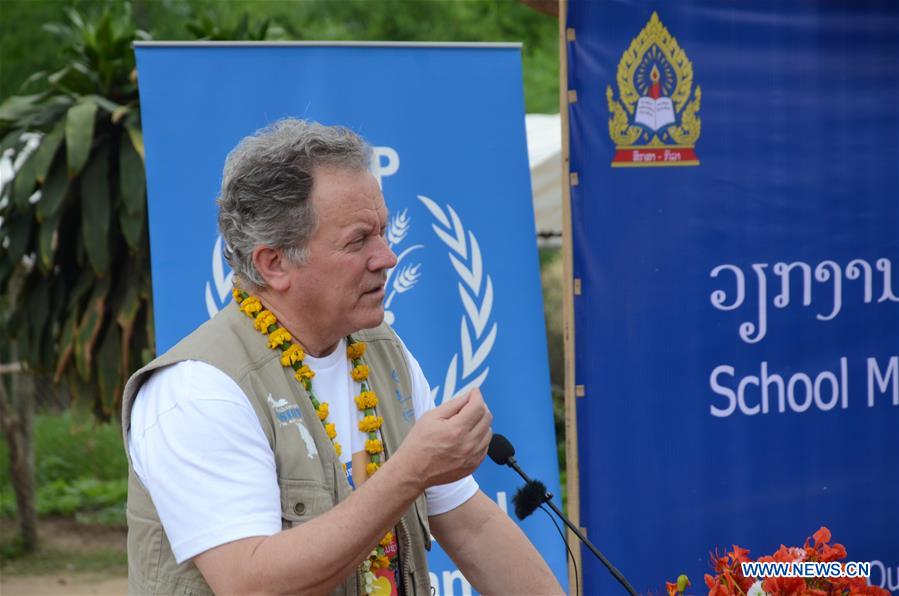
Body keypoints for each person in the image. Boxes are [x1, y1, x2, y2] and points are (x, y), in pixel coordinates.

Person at [121, 118, 563, 595]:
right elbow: (251, 585)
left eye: (383, 232)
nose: (387, 256)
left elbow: (472, 527)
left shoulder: (384, 353)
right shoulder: (197, 389)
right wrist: (410, 472)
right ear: (275, 264)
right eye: (358, 240)